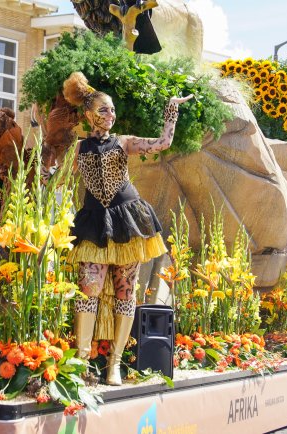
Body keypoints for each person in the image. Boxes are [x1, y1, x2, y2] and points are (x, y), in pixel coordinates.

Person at [63, 71, 192, 385]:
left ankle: (114, 365)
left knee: (125, 292)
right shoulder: (77, 149)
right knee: (88, 290)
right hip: (93, 222)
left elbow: (164, 143)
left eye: (113, 110)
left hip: (128, 220)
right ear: (89, 114)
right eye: (104, 110)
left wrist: (171, 110)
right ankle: (80, 363)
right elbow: (51, 176)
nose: (111, 115)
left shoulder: (123, 143)